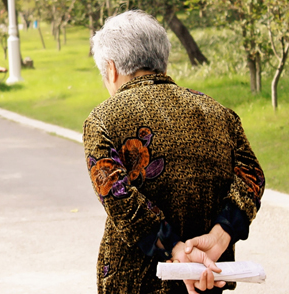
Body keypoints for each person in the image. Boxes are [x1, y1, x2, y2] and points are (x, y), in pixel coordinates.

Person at [83, 10, 265, 294]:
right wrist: (220, 236)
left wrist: (175, 248)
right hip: (208, 275)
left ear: (111, 69)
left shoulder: (104, 119)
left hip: (136, 282)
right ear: (162, 64)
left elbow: (118, 195)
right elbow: (252, 177)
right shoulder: (219, 114)